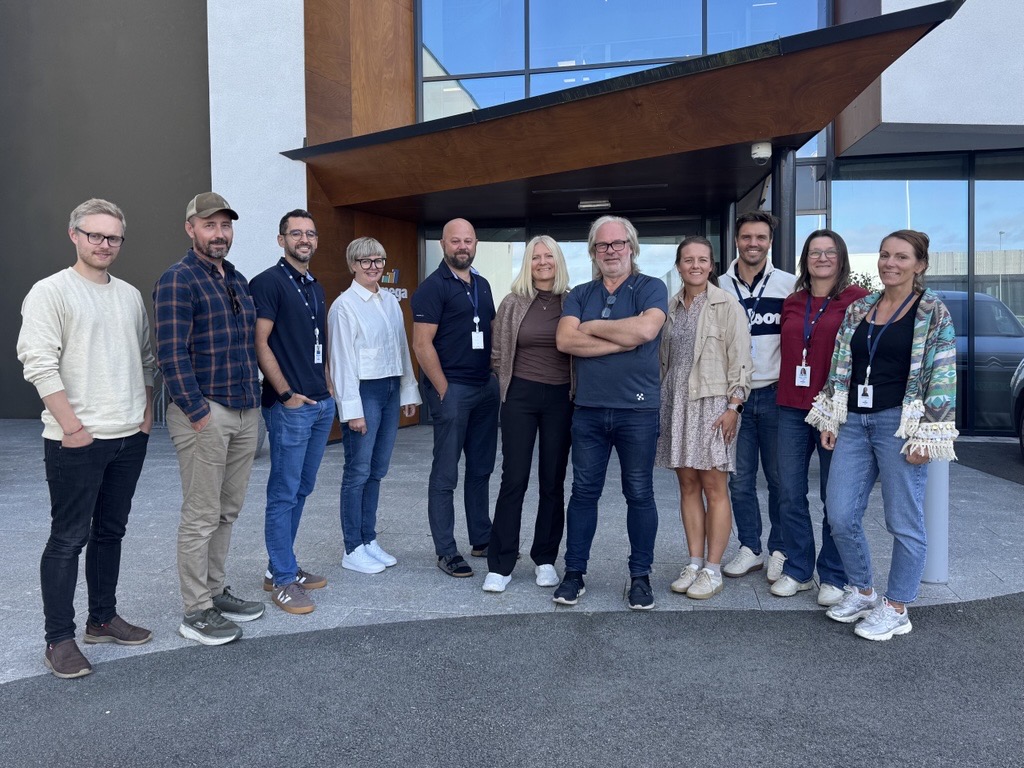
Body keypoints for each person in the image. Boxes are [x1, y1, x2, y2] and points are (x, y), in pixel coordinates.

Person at [18, 199, 155, 679]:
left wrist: (145, 415)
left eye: (113, 237)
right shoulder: (50, 291)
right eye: (94, 234)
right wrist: (73, 429)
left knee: (110, 533)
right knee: (67, 539)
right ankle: (58, 639)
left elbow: (146, 359)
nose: (104, 244)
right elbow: (38, 363)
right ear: (74, 234)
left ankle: (102, 619)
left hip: (128, 437)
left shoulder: (130, 295)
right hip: (75, 440)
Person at [808, 229, 957, 641]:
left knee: (903, 520)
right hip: (855, 421)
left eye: (902, 257)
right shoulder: (862, 308)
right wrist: (831, 417)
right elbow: (842, 364)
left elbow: (943, 373)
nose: (890, 263)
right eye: (885, 254)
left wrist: (927, 435)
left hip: (900, 423)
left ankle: (897, 607)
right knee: (840, 514)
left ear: (920, 265)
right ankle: (863, 591)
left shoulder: (932, 311)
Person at [154, 192, 265, 646]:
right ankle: (196, 610)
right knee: (201, 514)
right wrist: (198, 413)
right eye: (209, 225)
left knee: (227, 510)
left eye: (225, 225)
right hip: (206, 412)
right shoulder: (178, 279)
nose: (219, 234)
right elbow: (170, 353)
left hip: (244, 408)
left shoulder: (235, 278)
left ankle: (216, 591)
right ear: (191, 228)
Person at [553, 215, 668, 610]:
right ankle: (574, 574)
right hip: (588, 410)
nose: (611, 251)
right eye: (602, 245)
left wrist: (592, 327)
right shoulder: (580, 293)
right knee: (583, 493)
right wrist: (623, 338)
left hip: (638, 411)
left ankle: (640, 577)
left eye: (618, 243)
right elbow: (565, 340)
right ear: (593, 252)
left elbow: (646, 332)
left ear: (631, 247)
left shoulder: (651, 287)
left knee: (639, 493)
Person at [772, 230, 868, 604]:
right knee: (789, 492)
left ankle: (833, 575)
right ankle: (798, 569)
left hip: (835, 411)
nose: (822, 258)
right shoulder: (793, 301)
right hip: (790, 407)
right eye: (815, 252)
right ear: (805, 259)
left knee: (834, 496)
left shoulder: (858, 300)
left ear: (841, 258)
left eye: (830, 252)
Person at [656, 236, 752, 600]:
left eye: (702, 260)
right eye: (688, 260)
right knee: (687, 485)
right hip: (677, 403)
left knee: (715, 487)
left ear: (712, 265)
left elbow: (741, 361)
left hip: (713, 405)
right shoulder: (670, 307)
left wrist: (734, 407)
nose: (695, 265)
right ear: (679, 265)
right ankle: (694, 562)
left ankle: (713, 569)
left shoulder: (727, 304)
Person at [250, 209, 334, 615]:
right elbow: (260, 341)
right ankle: (284, 580)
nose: (304, 239)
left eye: (310, 233)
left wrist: (328, 388)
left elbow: (320, 342)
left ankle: (278, 565)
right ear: (281, 239)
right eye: (296, 233)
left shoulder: (314, 285)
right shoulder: (268, 282)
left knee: (301, 488)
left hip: (319, 404)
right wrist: (285, 394)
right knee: (284, 492)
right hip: (291, 407)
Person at [483, 236, 573, 593]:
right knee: (514, 478)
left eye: (549, 256)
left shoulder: (573, 301)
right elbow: (497, 350)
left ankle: (545, 559)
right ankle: (500, 564)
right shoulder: (513, 301)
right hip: (519, 395)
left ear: (558, 261)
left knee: (552, 480)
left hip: (561, 398)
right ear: (528, 263)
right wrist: (506, 380)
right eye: (536, 257)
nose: (542, 262)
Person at [412, 219, 499, 578]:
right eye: (455, 241)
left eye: (468, 240)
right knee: (446, 473)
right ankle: (446, 550)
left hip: (484, 388)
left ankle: (482, 538)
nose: (462, 246)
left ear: (475, 243)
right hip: (453, 390)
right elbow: (421, 344)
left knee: (481, 469)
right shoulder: (433, 287)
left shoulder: (482, 284)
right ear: (443, 245)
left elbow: (490, 331)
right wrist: (443, 388)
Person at [329, 237, 420, 574]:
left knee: (377, 470)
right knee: (358, 471)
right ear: (352, 265)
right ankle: (352, 547)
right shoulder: (344, 306)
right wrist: (352, 411)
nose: (373, 267)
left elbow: (401, 348)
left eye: (378, 260)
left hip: (390, 388)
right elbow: (340, 362)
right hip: (363, 391)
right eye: (365, 261)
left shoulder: (390, 302)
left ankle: (368, 539)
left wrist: (408, 392)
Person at [719, 211, 796, 583]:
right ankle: (750, 547)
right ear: (737, 240)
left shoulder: (789, 285)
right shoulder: (718, 286)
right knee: (740, 480)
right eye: (747, 237)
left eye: (761, 237)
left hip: (777, 396)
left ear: (770, 242)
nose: (753, 243)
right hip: (736, 399)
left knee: (781, 480)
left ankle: (780, 549)